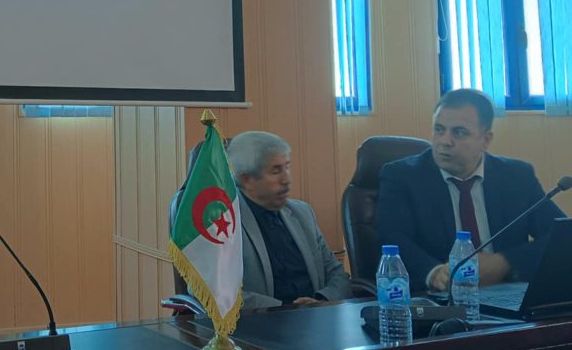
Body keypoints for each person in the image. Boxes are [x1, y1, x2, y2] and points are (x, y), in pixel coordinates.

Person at [377, 89, 565, 293]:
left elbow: (562, 236)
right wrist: (434, 272)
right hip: (441, 296)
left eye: (459, 132)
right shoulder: (403, 176)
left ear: (486, 140)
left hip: (508, 290)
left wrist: (505, 261)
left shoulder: (517, 177)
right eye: (439, 130)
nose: (445, 141)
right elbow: (392, 237)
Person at [227, 131, 351, 308]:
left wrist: (321, 300)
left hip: (317, 315)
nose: (287, 179)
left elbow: (337, 274)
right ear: (247, 179)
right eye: (275, 170)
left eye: (287, 167)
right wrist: (284, 310)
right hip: (261, 320)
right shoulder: (225, 224)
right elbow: (219, 294)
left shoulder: (302, 213)